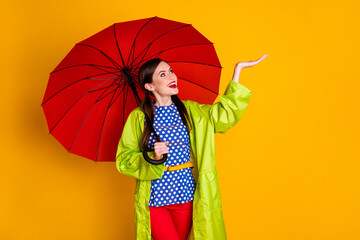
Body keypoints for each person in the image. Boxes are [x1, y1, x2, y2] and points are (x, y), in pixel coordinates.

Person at [116, 54, 268, 240]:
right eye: (163, 74)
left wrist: (237, 72)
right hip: (155, 199)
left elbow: (224, 116)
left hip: (185, 194)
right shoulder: (139, 118)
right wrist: (152, 157)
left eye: (171, 71)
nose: (172, 76)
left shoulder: (192, 111)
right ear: (150, 86)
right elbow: (124, 159)